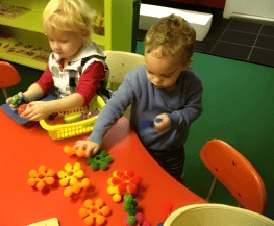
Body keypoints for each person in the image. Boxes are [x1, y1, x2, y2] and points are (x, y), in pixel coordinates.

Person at [74, 14, 203, 183]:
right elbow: (113, 106)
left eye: (166, 75)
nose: (156, 80)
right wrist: (95, 136)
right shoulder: (137, 78)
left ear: (185, 65)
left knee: (172, 181)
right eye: (150, 71)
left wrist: (174, 119)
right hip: (139, 143)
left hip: (172, 149)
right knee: (139, 180)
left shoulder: (192, 83)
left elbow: (194, 109)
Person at [6, 0, 108, 121]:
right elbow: (44, 83)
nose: (55, 47)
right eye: (51, 39)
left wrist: (49, 107)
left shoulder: (92, 63)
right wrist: (25, 97)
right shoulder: (58, 56)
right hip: (63, 110)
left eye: (63, 41)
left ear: (84, 34)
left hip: (89, 115)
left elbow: (82, 97)